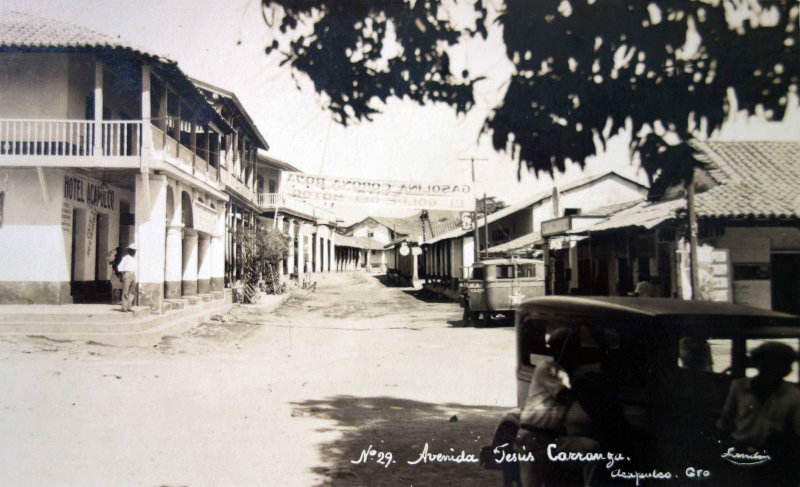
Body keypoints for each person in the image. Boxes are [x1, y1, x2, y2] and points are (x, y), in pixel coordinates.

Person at [717, 342, 800, 482]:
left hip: (773, 458)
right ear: (760, 363)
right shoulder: (738, 387)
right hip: (738, 453)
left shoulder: (794, 395)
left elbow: (797, 431)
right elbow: (725, 422)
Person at [117, 243, 138, 312]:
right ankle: (124, 307)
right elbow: (119, 267)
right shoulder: (126, 258)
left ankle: (129, 307)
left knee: (132, 292)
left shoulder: (135, 259)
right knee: (125, 291)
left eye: (134, 250)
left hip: (133, 275)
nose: (134, 252)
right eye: (132, 250)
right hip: (127, 274)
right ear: (129, 251)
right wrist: (122, 274)